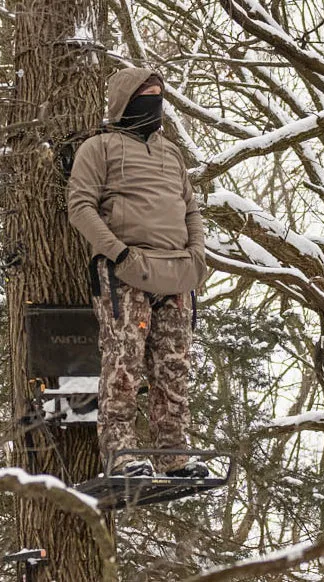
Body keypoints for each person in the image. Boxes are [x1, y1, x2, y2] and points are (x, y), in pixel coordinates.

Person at [67, 68, 208, 478]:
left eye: (159, 95)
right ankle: (122, 456)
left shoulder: (172, 154)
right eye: (147, 95)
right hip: (124, 274)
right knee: (124, 365)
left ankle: (174, 456)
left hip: (178, 275)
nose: (155, 103)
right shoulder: (100, 148)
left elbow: (191, 210)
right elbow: (80, 207)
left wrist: (197, 257)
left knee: (174, 369)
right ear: (126, 101)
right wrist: (118, 253)